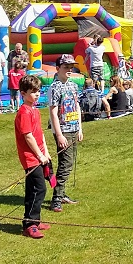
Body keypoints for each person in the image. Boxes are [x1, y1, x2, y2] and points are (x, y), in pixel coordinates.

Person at [14, 74, 52, 239]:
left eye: (38, 91)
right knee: (38, 189)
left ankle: (34, 221)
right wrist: (39, 155)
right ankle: (30, 224)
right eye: (33, 91)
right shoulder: (24, 112)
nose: (37, 94)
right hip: (30, 157)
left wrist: (46, 152)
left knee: (35, 189)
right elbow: (28, 136)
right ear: (23, 93)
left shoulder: (34, 109)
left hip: (40, 155)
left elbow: (39, 133)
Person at [49, 54, 83, 213]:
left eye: (71, 67)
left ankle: (62, 194)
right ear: (58, 69)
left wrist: (80, 128)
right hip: (63, 131)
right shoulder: (54, 87)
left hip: (74, 128)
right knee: (65, 164)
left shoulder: (73, 86)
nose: (69, 70)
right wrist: (59, 134)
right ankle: (56, 198)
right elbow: (53, 113)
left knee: (69, 163)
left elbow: (77, 107)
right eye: (66, 67)